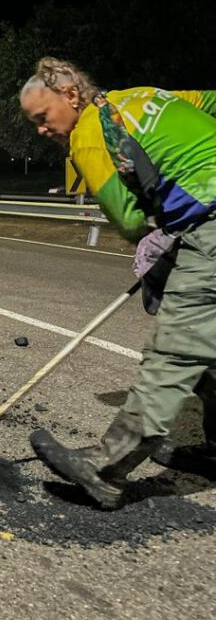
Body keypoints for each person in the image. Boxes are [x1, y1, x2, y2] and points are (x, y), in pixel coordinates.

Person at [20, 57, 215, 508]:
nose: (42, 131)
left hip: (210, 225)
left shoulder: (89, 133)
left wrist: (160, 233)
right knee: (210, 349)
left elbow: (127, 221)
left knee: (177, 348)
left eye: (43, 118)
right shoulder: (142, 96)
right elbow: (210, 101)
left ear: (71, 96)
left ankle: (105, 467)